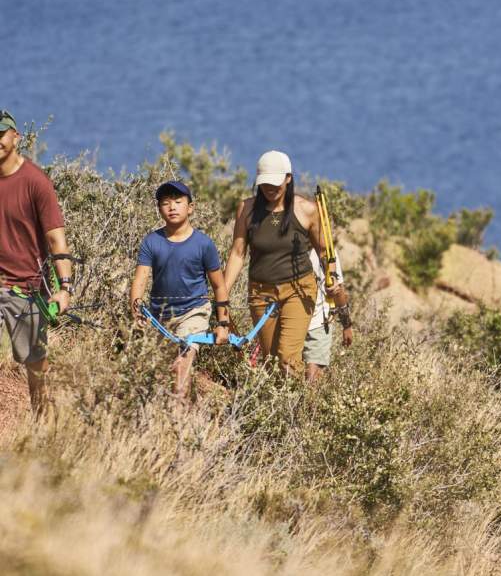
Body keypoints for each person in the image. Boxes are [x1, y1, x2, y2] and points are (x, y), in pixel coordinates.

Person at [224, 150, 349, 378]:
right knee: (271, 361)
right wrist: (222, 295)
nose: (270, 189)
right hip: (261, 292)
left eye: (276, 183)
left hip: (298, 290)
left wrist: (333, 283)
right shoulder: (247, 209)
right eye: (265, 183)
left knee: (288, 359)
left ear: (288, 178)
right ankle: (283, 408)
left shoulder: (307, 210)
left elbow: (324, 252)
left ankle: (298, 410)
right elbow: (237, 254)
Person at [0, 110, 73, 416]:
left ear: (15, 137)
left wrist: (64, 287)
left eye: (1, 134)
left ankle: (43, 427)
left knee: (36, 368)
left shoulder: (35, 182)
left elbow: (56, 241)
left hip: (27, 289)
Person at [130, 180, 230, 404]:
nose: (172, 207)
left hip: (193, 312)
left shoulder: (204, 244)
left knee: (180, 366)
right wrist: (136, 311)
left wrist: (223, 323)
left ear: (190, 207)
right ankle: (170, 413)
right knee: (157, 371)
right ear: (159, 209)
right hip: (159, 316)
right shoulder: (151, 241)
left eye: (177, 202)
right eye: (165, 203)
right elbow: (140, 280)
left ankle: (178, 424)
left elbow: (219, 286)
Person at [303, 249, 353, 383]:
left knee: (312, 381)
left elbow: (338, 289)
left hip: (318, 324)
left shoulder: (327, 250)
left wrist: (346, 324)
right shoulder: (286, 243)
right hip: (290, 322)